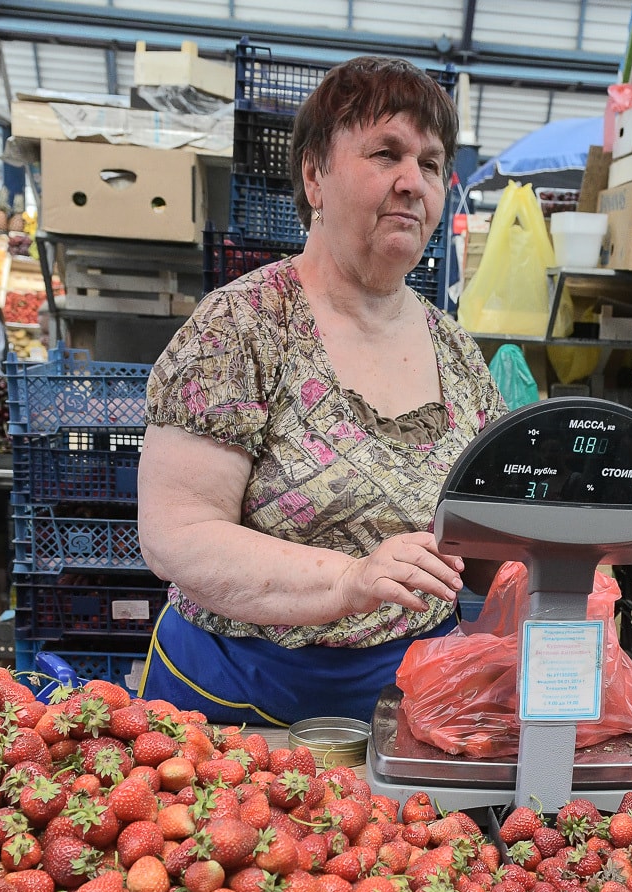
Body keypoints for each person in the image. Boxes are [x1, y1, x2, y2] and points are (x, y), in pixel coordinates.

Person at [133, 56, 505, 726]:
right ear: (314, 176)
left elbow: (481, 550)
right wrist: (349, 580)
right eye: (384, 153)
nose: (411, 182)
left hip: (406, 703)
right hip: (233, 701)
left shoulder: (458, 355)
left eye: (428, 163)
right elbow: (176, 536)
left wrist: (557, 575)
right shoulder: (241, 326)